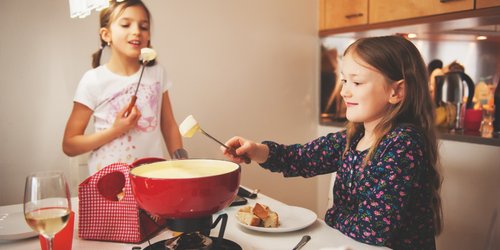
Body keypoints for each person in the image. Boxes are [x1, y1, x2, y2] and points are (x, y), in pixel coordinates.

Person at [222, 35, 443, 250]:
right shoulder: (354, 136)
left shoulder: (403, 144)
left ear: (396, 91)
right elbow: (301, 158)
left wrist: (331, 215)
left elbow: (373, 230)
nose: (345, 91)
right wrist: (256, 150)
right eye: (345, 80)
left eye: (356, 82)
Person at [62, 0, 185, 174]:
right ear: (106, 35)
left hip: (151, 177)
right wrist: (116, 130)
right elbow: (69, 145)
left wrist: (181, 162)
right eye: (126, 24)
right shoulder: (93, 80)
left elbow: (169, 124)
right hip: (109, 183)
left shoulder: (157, 73)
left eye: (143, 27)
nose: (136, 31)